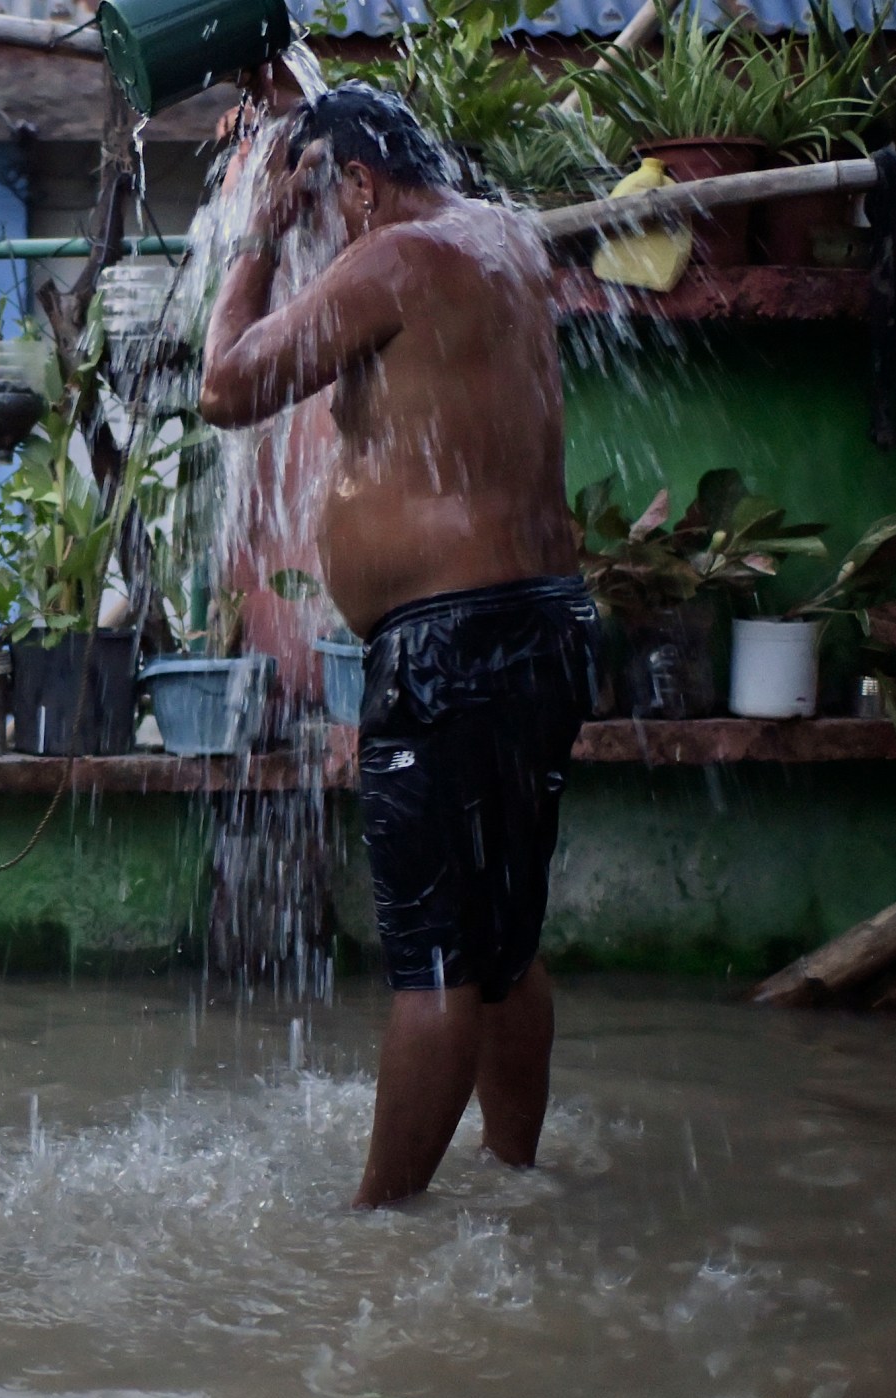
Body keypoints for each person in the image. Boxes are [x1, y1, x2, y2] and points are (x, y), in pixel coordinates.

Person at [196, 84, 598, 1209]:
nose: (322, 236)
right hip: (545, 625)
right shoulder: (506, 240)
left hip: (448, 647)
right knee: (506, 942)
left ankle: (379, 1233)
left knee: (433, 961)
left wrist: (258, 243)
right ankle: (514, 1180)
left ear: (357, 184)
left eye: (323, 209)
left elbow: (226, 386)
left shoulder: (396, 257)